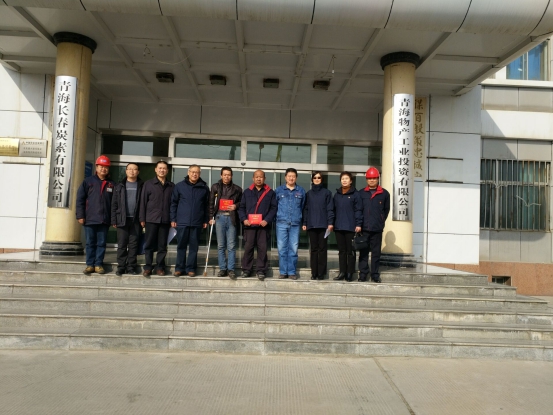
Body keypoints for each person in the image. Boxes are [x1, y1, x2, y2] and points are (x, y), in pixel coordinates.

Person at [76, 155, 115, 275]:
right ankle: (89, 264)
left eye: (106, 167)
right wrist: (80, 215)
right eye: (101, 166)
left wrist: (113, 219)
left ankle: (98, 264)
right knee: (90, 243)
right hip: (90, 218)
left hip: (104, 219)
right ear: (97, 167)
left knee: (101, 243)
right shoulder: (88, 182)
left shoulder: (112, 184)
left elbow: (115, 203)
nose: (103, 169)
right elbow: (80, 199)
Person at [170, 164, 210, 277]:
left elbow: (206, 206)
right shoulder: (179, 186)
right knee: (181, 246)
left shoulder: (204, 188)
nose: (194, 174)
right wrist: (173, 218)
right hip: (182, 221)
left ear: (200, 174)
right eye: (192, 172)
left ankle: (191, 269)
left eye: (197, 172)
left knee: (194, 247)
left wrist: (205, 220)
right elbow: (173, 203)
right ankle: (179, 268)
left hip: (197, 222)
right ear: (188, 172)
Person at [238, 170, 277, 280]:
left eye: (261, 177)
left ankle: (261, 270)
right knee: (248, 248)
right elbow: (241, 208)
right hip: (249, 226)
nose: (259, 179)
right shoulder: (247, 192)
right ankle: (246, 270)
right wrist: (244, 219)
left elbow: (274, 208)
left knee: (262, 249)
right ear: (253, 178)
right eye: (256, 177)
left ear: (264, 178)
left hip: (263, 226)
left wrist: (267, 220)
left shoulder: (270, 193)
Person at [139, 160, 174, 277]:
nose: (162, 170)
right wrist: (142, 218)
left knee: (162, 246)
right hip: (151, 219)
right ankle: (148, 267)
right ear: (155, 169)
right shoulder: (148, 184)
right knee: (149, 244)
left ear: (167, 170)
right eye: (160, 168)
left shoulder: (171, 186)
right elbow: (143, 202)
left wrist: (172, 219)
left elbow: (173, 204)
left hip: (165, 220)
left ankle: (160, 267)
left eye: (164, 168)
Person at [208, 167, 242, 280]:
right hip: (219, 217)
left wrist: (235, 206)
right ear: (221, 175)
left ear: (231, 176)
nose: (227, 177)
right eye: (225, 175)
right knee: (221, 245)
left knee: (231, 245)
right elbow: (211, 203)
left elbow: (242, 202)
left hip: (231, 217)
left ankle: (231, 269)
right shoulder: (215, 187)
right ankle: (223, 268)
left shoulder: (237, 189)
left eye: (229, 175)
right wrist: (210, 217)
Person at [358, 167, 390, 283]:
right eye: (369, 178)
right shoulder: (361, 193)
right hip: (364, 228)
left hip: (377, 228)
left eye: (374, 178)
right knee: (363, 252)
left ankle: (375, 274)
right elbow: (358, 210)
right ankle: (363, 274)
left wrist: (380, 221)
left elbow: (386, 210)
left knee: (376, 253)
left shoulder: (384, 194)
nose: (372, 180)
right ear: (366, 179)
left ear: (378, 179)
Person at [111, 163, 143, 276]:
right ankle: (121, 267)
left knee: (133, 245)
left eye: (134, 169)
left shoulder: (142, 185)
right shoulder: (119, 186)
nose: (132, 171)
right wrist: (113, 219)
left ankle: (131, 267)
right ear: (126, 171)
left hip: (136, 220)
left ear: (138, 172)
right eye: (129, 169)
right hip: (122, 219)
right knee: (122, 244)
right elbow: (114, 204)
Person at [275, 168, 306, 280]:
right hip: (281, 223)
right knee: (282, 248)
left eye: (293, 176)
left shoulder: (301, 191)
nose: (291, 178)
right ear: (285, 177)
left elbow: (303, 207)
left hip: (295, 224)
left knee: (293, 248)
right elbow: (274, 206)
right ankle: (283, 272)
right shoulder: (279, 190)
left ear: (296, 178)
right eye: (289, 176)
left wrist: (303, 221)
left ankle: (292, 272)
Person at [302, 171, 334, 280]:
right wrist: (305, 223)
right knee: (314, 249)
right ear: (312, 179)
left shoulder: (327, 193)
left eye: (319, 177)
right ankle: (314, 272)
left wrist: (330, 222)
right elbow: (306, 209)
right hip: (311, 225)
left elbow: (330, 209)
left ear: (322, 179)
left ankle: (321, 273)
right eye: (315, 177)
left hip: (323, 226)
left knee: (322, 249)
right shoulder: (309, 194)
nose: (317, 179)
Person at [332, 171, 362, 282]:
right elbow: (333, 210)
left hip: (351, 227)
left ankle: (350, 273)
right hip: (339, 227)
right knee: (342, 251)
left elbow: (358, 210)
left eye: (346, 178)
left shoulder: (355, 194)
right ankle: (342, 272)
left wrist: (358, 224)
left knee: (351, 251)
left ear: (351, 181)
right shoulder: (337, 195)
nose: (344, 180)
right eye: (342, 179)